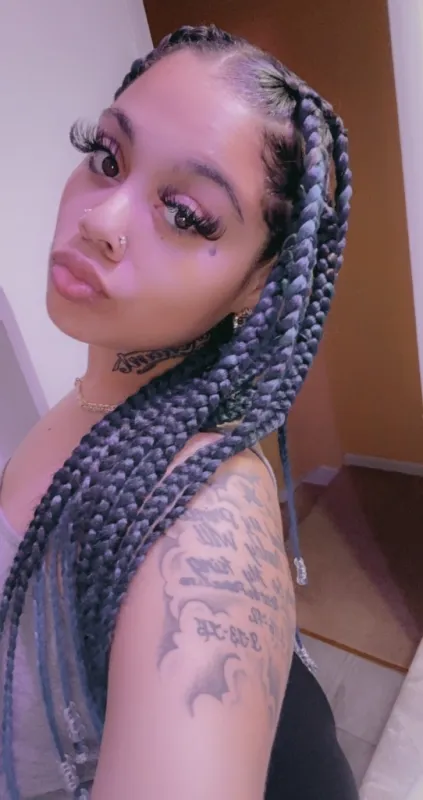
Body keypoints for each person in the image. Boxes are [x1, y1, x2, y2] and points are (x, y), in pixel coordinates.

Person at [0, 23, 356, 800]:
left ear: (259, 283)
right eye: (106, 157)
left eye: (185, 214)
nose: (101, 219)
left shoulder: (204, 518)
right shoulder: (97, 402)